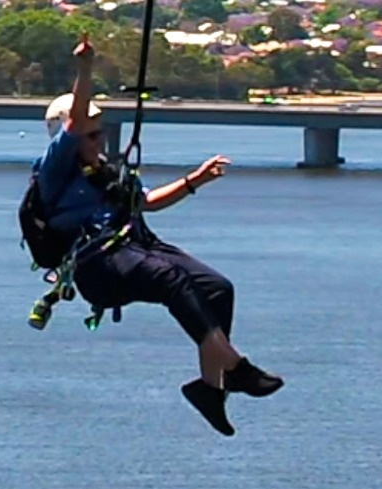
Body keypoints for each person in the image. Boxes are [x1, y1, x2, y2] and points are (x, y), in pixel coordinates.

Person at [40, 34, 280, 435]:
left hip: (134, 249)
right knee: (171, 280)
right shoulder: (54, 169)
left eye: (101, 132)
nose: (100, 140)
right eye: (92, 135)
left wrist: (195, 180)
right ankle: (236, 366)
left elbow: (146, 202)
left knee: (218, 287)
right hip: (98, 266)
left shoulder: (109, 170)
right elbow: (76, 118)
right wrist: (85, 70)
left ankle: (210, 387)